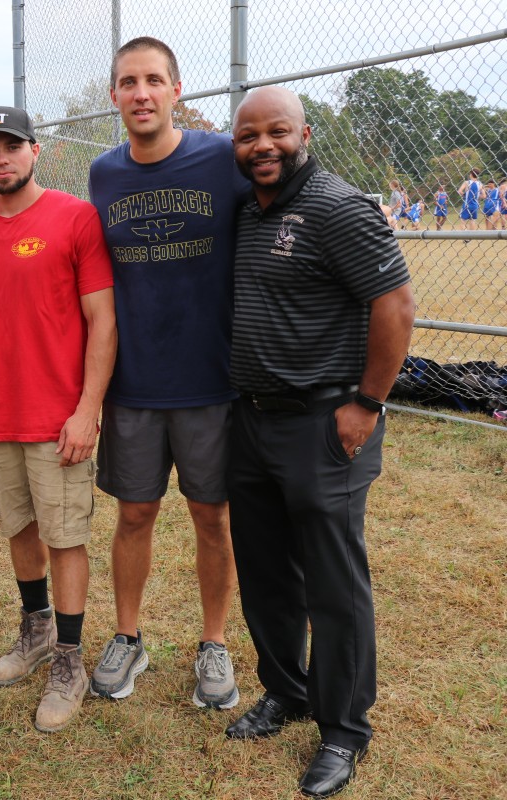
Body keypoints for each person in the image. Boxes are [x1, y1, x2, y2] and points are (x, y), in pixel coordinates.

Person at [226, 86, 414, 798]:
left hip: (325, 421)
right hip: (253, 420)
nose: (263, 145)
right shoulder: (248, 209)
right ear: (235, 144)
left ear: (305, 133)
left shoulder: (337, 208)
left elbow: (394, 303)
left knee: (334, 584)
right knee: (269, 571)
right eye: (249, 136)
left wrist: (366, 402)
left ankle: (343, 731)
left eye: (277, 132)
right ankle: (287, 689)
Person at [0, 106, 116, 731]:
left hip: (56, 413)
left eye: (11, 146)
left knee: (65, 535)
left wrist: (87, 408)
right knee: (20, 527)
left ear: (35, 151)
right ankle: (34, 630)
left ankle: (69, 658)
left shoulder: (73, 217)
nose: (0, 158)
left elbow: (102, 320)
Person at [86, 36, 249, 709]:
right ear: (115, 96)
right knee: (135, 513)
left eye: (154, 80)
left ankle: (214, 643)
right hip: (136, 381)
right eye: (129, 82)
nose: (142, 93)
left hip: (212, 377)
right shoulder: (102, 173)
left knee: (212, 516)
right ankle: (128, 637)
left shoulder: (221, 158)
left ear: (178, 89)